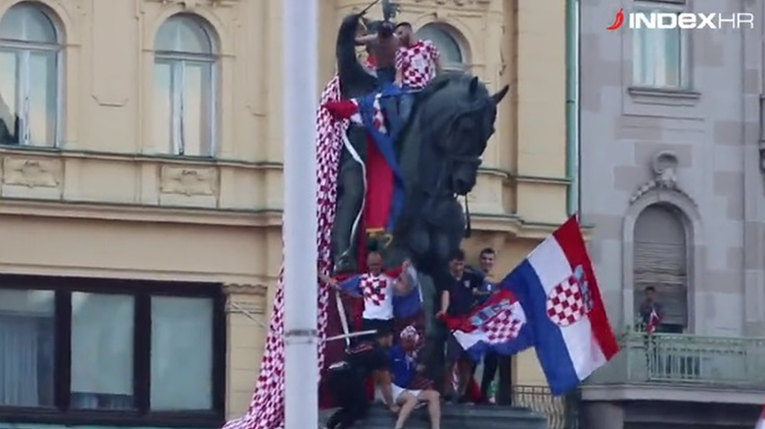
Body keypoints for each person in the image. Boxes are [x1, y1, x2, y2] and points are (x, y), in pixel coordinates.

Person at [321, 252, 411, 335]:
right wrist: (320, 274)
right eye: (373, 265)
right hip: (369, 321)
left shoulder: (388, 279)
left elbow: (404, 290)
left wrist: (404, 271)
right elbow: (337, 285)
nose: (375, 267)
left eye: (377, 264)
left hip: (386, 321)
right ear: (368, 265)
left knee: (385, 350)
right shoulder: (361, 279)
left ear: (381, 264)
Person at [435, 248, 483, 401]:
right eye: (456, 264)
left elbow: (482, 283)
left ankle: (462, 393)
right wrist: (443, 311)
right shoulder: (446, 279)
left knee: (467, 361)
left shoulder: (471, 277)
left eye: (461, 264)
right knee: (450, 359)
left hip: (469, 324)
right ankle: (447, 391)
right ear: (450, 264)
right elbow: (445, 295)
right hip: (454, 323)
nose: (458, 268)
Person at [325, 331, 398, 429]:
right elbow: (385, 383)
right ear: (386, 336)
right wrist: (392, 405)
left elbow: (373, 374)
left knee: (351, 407)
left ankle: (330, 425)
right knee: (361, 407)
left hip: (334, 374)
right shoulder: (380, 353)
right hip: (346, 375)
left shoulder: (364, 345)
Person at [391, 22, 442, 133]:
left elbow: (438, 63)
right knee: (405, 117)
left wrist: (440, 81)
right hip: (409, 90)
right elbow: (399, 74)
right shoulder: (401, 52)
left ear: (409, 31)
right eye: (397, 35)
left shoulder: (427, 45)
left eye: (401, 33)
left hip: (427, 89)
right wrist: (396, 87)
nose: (399, 37)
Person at [389, 326, 441, 429]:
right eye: (409, 341)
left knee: (434, 395)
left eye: (413, 342)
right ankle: (398, 427)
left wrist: (418, 369)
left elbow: (414, 371)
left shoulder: (412, 355)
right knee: (411, 399)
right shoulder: (393, 352)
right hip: (393, 388)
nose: (412, 344)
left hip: (405, 389)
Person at [356, 20, 401, 86]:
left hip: (396, 68)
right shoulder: (373, 39)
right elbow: (357, 41)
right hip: (382, 70)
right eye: (382, 36)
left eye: (386, 37)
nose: (384, 40)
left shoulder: (397, 40)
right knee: (386, 87)